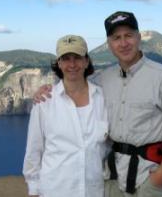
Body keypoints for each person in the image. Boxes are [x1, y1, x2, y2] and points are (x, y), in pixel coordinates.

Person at [34, 11, 162, 197]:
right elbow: (74, 88)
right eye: (116, 37)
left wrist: (161, 174)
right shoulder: (102, 79)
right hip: (113, 180)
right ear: (109, 44)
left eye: (128, 35)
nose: (123, 43)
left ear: (139, 37)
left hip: (149, 178)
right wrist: (47, 92)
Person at [22, 35, 109, 197]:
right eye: (66, 59)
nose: (72, 64)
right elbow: (34, 151)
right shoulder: (44, 102)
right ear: (59, 63)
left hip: (93, 191)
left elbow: (108, 145)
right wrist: (33, 190)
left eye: (77, 58)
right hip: (55, 191)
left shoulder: (103, 99)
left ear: (86, 61)